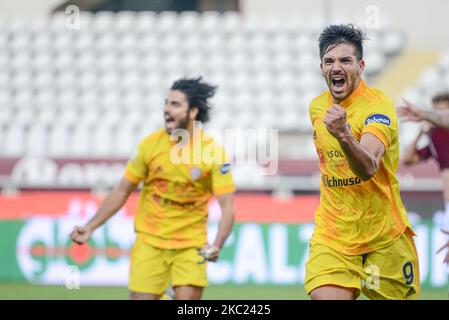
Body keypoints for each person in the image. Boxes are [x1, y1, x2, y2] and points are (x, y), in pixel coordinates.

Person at [70, 77, 236, 300]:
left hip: (190, 245)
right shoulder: (150, 145)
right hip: (150, 241)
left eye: (175, 104)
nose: (166, 109)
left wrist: (217, 245)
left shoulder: (212, 153)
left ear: (193, 112)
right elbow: (122, 190)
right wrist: (90, 226)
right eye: (166, 103)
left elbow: (228, 206)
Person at [305, 24, 420, 300]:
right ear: (321, 67)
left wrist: (344, 135)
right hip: (334, 236)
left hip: (384, 237)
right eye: (330, 61)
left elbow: (368, 167)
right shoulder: (317, 107)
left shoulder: (378, 108)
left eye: (345, 60)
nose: (337, 67)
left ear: (361, 65)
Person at [400, 93, 449, 265]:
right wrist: (421, 130)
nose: (439, 114)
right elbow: (407, 159)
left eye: (443, 110)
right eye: (436, 109)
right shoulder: (435, 138)